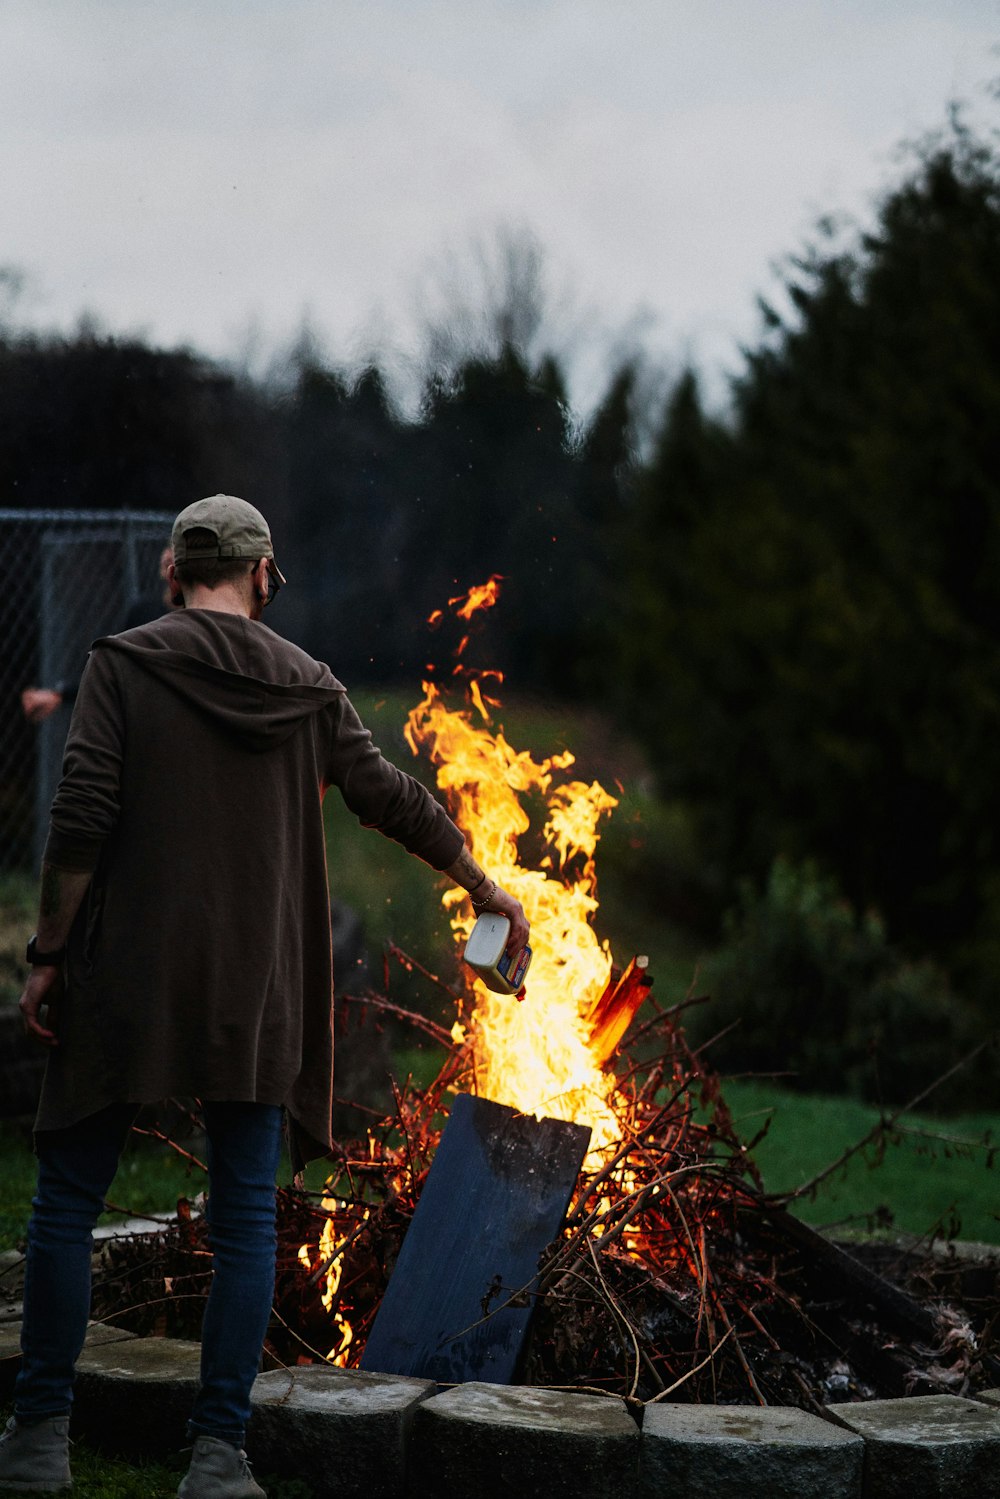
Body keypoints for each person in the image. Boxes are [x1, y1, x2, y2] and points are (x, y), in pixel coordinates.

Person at [2, 495, 528, 1498]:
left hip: (125, 984)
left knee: (66, 1204)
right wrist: (481, 883)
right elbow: (393, 799)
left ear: (173, 570)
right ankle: (217, 1455)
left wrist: (46, 953)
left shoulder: (123, 662)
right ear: (263, 573)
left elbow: (79, 818)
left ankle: (36, 1442)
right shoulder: (309, 685)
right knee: (246, 1216)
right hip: (256, 990)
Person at [20, 545, 177, 724]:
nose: (167, 555)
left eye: (176, 549)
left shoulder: (202, 617)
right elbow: (114, 667)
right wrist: (60, 695)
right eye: (167, 547)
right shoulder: (144, 612)